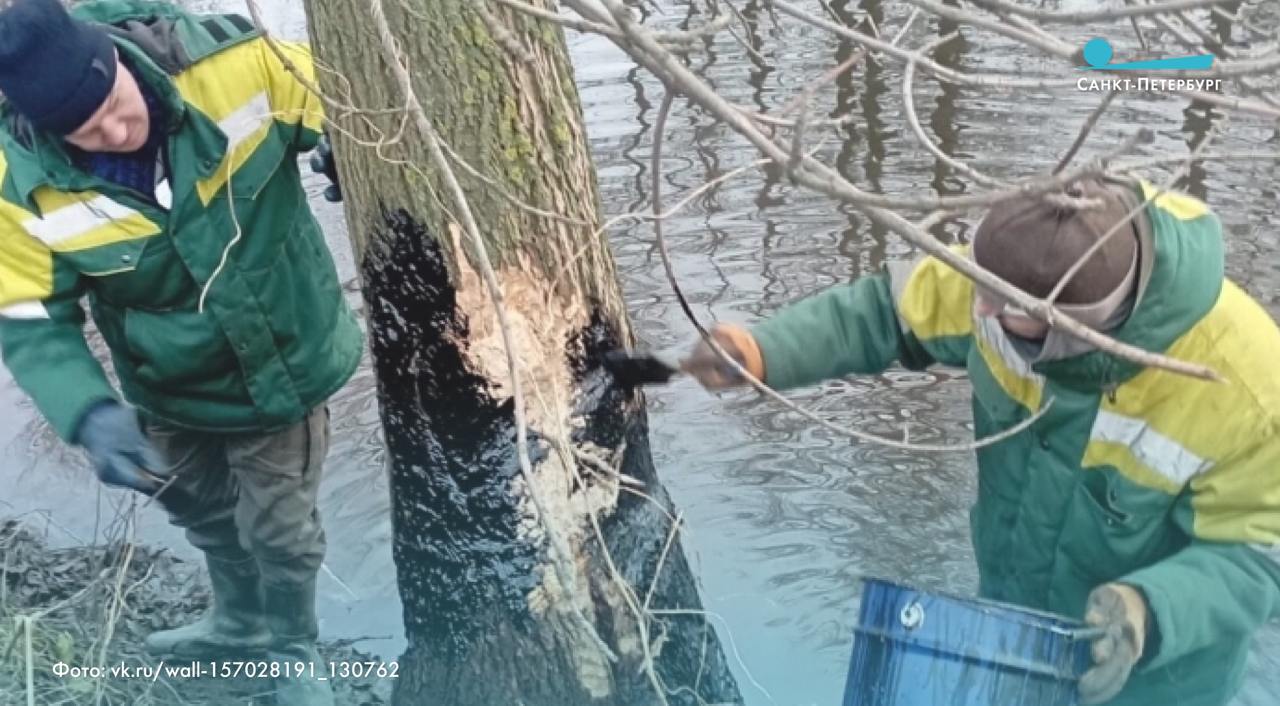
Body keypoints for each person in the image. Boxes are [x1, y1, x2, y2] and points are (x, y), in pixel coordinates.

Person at [683, 175, 1280, 705]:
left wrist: (1149, 612)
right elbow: (883, 315)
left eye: (1004, 306)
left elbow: (1259, 561)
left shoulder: (1249, 390)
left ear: (1073, 326)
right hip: (1010, 625)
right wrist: (765, 352)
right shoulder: (1014, 268)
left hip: (1156, 679)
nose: (979, 306)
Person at [0, 1, 357, 704]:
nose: (116, 129)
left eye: (112, 102)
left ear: (116, 62)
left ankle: (291, 648)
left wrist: (348, 151)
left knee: (280, 530)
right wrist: (88, 411)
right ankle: (237, 624)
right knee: (196, 506)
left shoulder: (233, 63)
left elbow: (346, 109)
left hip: (283, 358)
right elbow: (28, 313)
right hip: (165, 381)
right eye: (85, 129)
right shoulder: (17, 185)